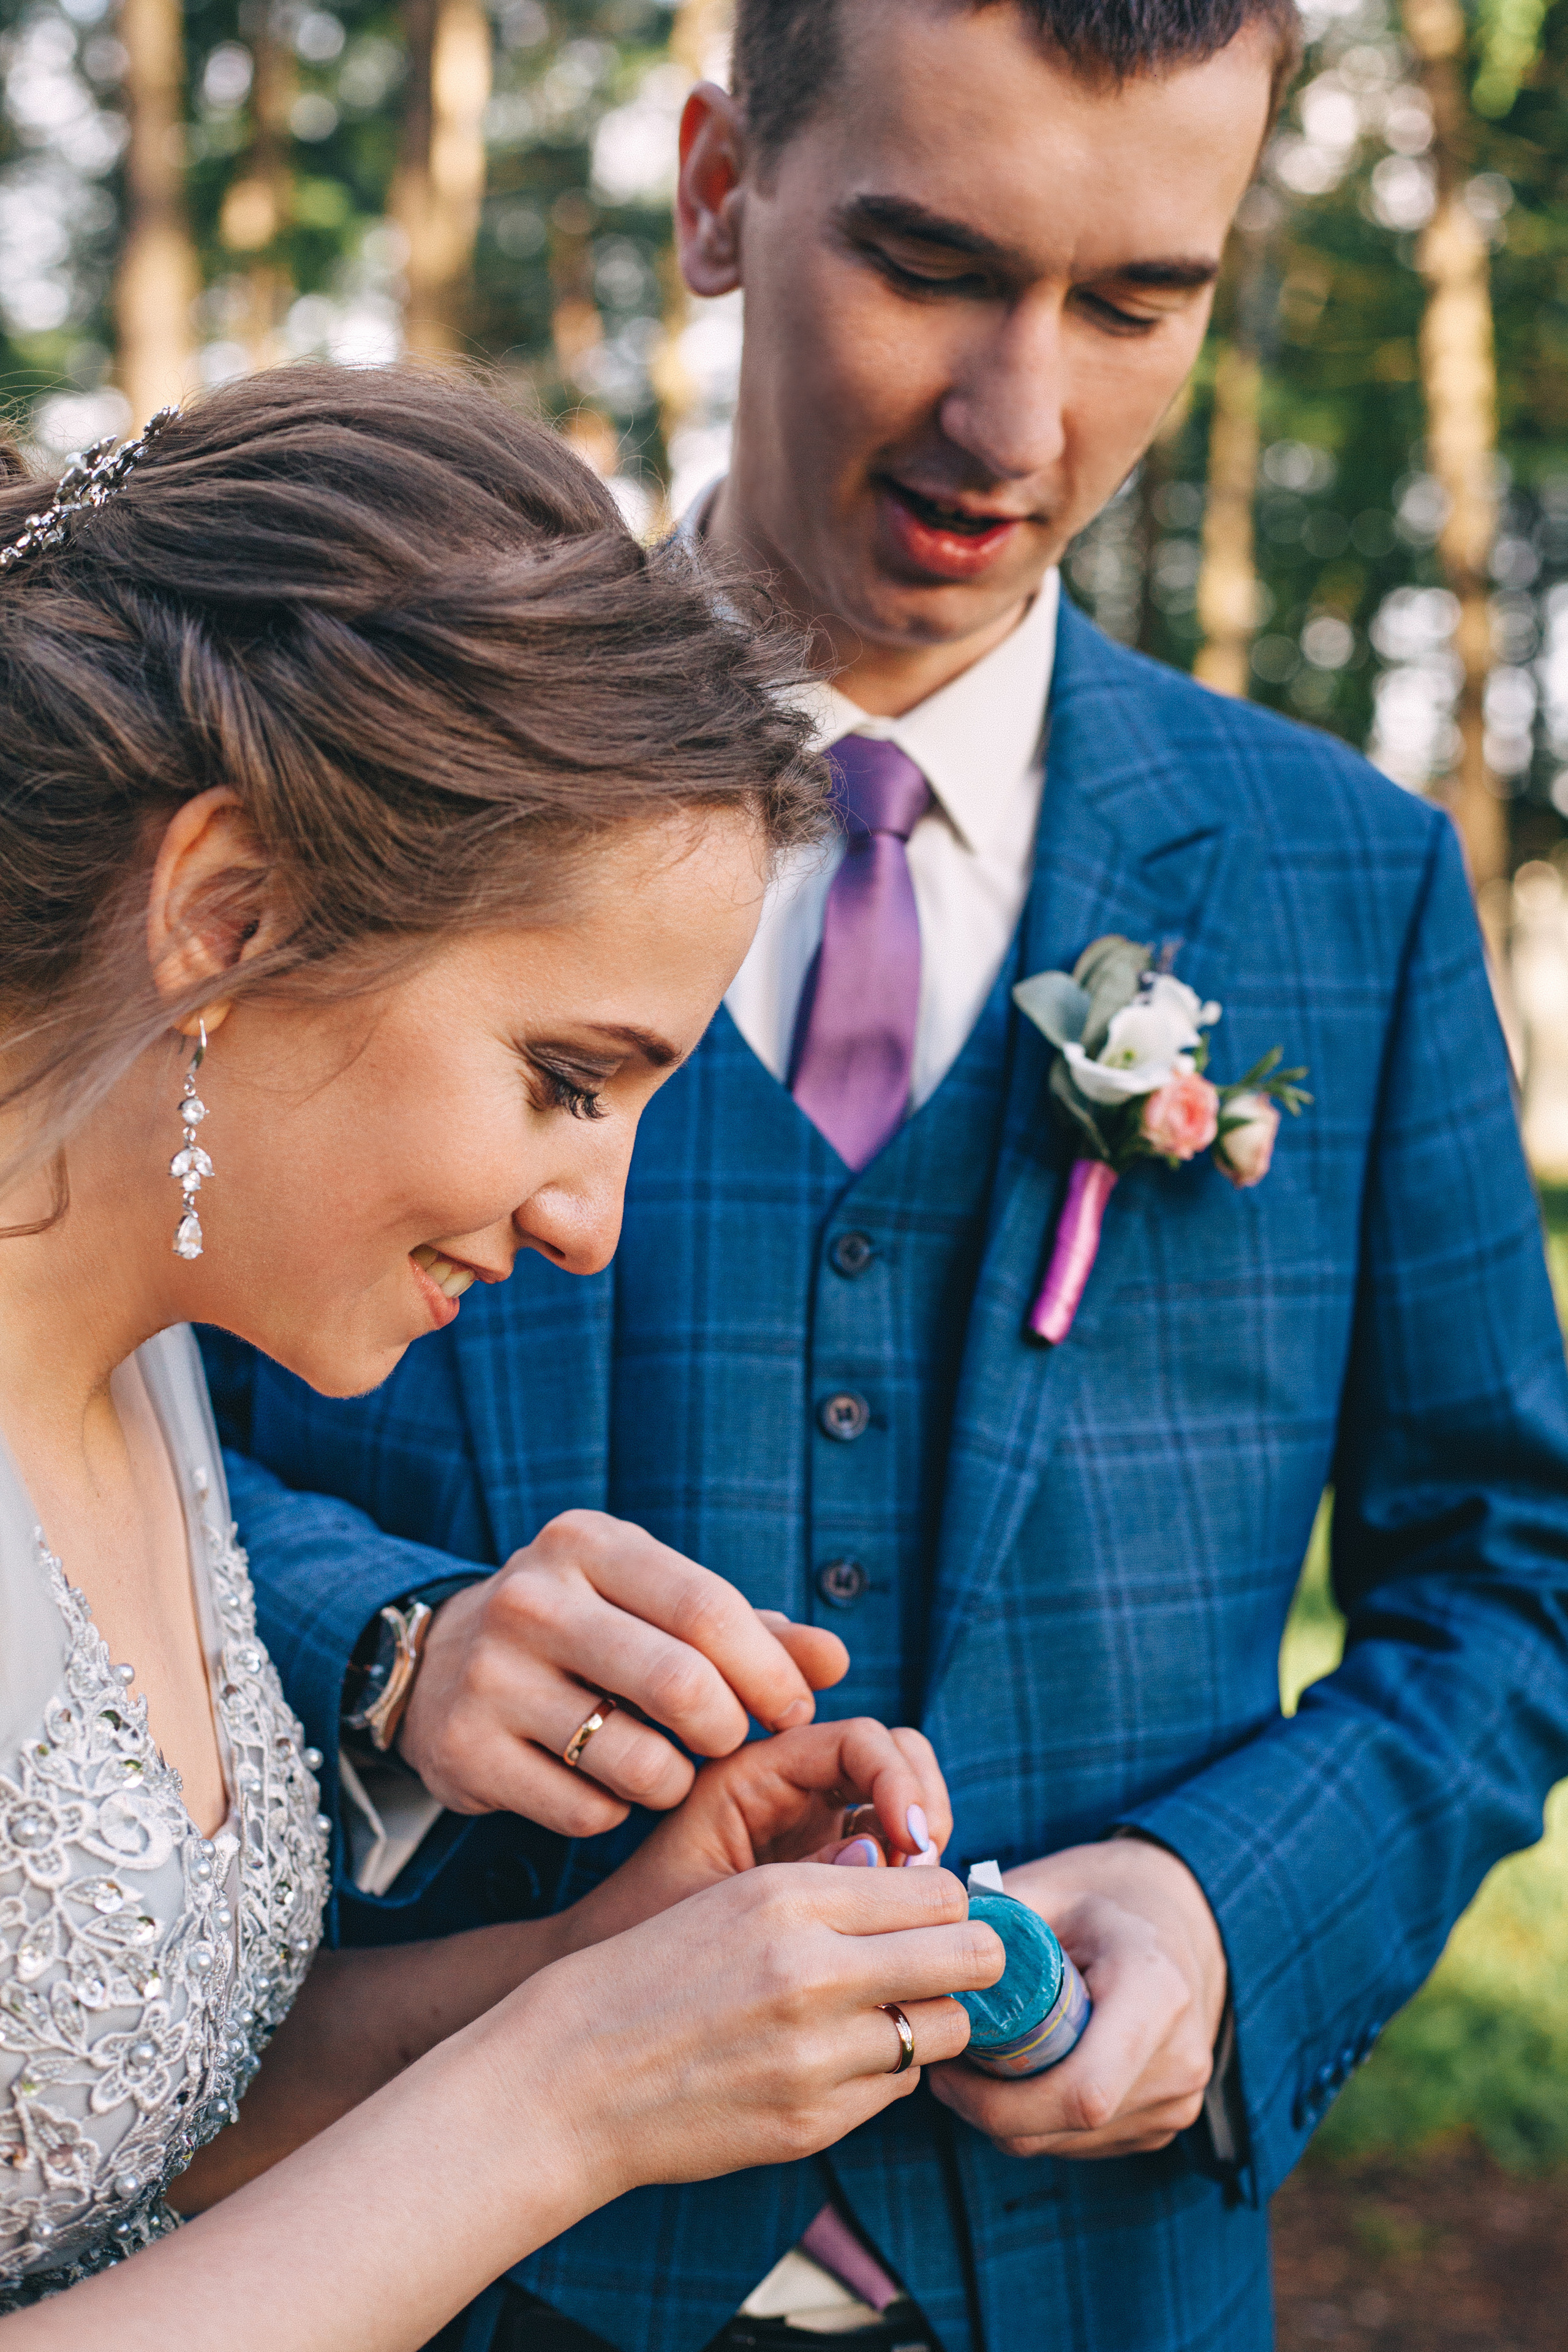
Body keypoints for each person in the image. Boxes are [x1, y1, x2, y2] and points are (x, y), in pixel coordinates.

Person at [216, 3, 1568, 2349]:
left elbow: (1507, 1573)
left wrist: (1229, 1904)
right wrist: (391, 1649)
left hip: (1098, 2293)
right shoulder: (381, 802)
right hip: (434, 2271)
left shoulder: (1351, 884)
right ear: (720, 191)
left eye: (1137, 300)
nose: (1016, 423)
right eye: (931, 265)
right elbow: (93, 1412)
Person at [0, 365, 1008, 2346]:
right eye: (564, 1078)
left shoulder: (153, 1377)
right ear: (228, 912)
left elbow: (109, 2151)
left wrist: (592, 1977)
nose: (588, 1227)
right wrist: (561, 2100)